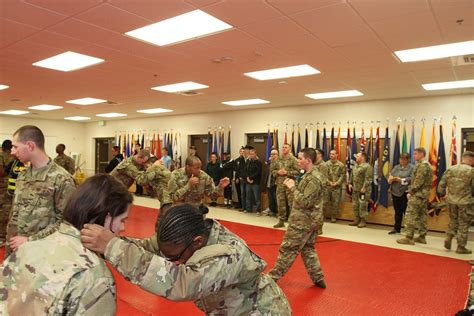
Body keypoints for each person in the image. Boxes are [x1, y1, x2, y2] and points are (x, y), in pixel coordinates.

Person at [80, 203, 292, 315]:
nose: (173, 262)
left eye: (175, 258)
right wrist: (103, 245)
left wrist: (112, 246)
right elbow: (146, 247)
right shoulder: (181, 237)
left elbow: (182, 284)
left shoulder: (227, 256)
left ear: (198, 242)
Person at [0, 174, 131, 315]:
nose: (122, 228)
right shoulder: (93, 274)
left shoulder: (27, 249)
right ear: (107, 217)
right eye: (122, 220)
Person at [6, 125, 76, 257]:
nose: (12, 152)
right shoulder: (23, 174)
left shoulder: (61, 179)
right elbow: (15, 214)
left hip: (43, 255)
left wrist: (30, 240)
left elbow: (67, 224)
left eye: (15, 147)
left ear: (30, 146)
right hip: (16, 251)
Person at [268, 148, 326, 289]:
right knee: (308, 249)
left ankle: (272, 277)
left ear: (309, 160)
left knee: (288, 249)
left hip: (303, 222)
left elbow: (305, 202)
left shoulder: (313, 178)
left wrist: (292, 187)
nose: (298, 161)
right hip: (308, 220)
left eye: (300, 159)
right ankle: (318, 278)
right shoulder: (309, 175)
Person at [437, 151, 474, 254]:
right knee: (464, 223)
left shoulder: (450, 169)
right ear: (470, 160)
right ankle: (461, 247)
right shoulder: (471, 171)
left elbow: (441, 185)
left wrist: (442, 195)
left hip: (451, 201)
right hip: (465, 202)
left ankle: (449, 236)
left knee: (453, 221)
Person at [397, 147, 433, 245]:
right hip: (424, 195)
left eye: (416, 154)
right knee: (422, 216)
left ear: (422, 154)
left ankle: (409, 237)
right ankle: (422, 236)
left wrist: (411, 192)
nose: (414, 155)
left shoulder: (422, 165)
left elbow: (418, 181)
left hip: (418, 195)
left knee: (410, 215)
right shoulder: (426, 165)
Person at [271, 143, 299, 228]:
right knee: (280, 203)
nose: (283, 149)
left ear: (290, 149)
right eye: (283, 147)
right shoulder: (277, 159)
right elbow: (272, 170)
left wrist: (287, 172)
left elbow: (298, 171)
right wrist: (277, 172)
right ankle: (281, 221)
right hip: (280, 184)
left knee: (291, 204)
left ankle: (292, 222)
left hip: (290, 185)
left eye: (286, 147)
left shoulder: (293, 159)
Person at [388, 153, 414, 234]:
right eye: (400, 159)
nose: (401, 161)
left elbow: (412, 179)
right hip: (395, 191)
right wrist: (391, 178)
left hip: (405, 192)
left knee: (406, 211)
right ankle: (396, 228)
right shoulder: (396, 167)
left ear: (407, 160)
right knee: (397, 211)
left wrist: (401, 180)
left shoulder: (411, 168)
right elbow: (390, 175)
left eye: (403, 159)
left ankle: (408, 230)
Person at [348, 152, 373, 228]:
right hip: (355, 189)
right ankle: (357, 219)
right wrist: (350, 183)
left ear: (362, 157)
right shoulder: (355, 166)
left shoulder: (367, 166)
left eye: (357, 156)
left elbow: (368, 178)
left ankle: (363, 220)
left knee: (363, 205)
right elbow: (352, 175)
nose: (356, 157)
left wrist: (364, 187)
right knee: (355, 205)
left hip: (363, 190)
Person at [326, 149, 346, 223]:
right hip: (328, 186)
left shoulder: (341, 165)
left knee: (335, 203)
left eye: (333, 154)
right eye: (330, 154)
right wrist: (329, 182)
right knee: (325, 202)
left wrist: (337, 183)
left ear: (336, 155)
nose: (331, 155)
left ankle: (333, 217)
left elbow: (343, 176)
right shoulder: (326, 164)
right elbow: (324, 175)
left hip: (337, 187)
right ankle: (323, 215)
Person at [0, 140, 14, 245]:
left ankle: (1, 237)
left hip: (2, 187)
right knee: (7, 212)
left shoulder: (1, 156)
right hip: (11, 188)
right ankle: (4, 236)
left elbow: (1, 173)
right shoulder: (16, 157)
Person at [314, 148, 328, 234]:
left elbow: (323, 179)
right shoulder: (314, 164)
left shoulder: (323, 165)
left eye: (315, 153)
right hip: (313, 190)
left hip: (320, 191)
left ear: (320, 155)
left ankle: (319, 228)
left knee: (320, 210)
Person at [245, 147, 262, 214]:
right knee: (248, 197)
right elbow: (246, 170)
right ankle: (248, 209)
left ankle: (258, 210)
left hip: (255, 182)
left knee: (257, 197)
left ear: (255, 154)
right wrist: (247, 178)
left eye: (253, 154)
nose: (251, 155)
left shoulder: (258, 162)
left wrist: (251, 178)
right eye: (250, 154)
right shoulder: (248, 161)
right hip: (248, 181)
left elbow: (258, 172)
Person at [263, 149, 279, 217]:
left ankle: (278, 211)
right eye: (271, 154)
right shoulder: (269, 163)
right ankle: (272, 211)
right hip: (268, 182)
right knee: (270, 198)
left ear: (277, 155)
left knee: (276, 199)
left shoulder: (279, 163)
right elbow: (267, 172)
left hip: (275, 184)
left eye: (274, 154)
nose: (272, 155)